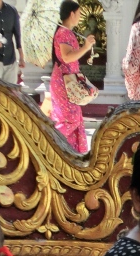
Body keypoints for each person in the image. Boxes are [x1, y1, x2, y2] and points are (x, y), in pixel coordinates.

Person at [50, 1, 95, 153]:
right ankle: (57, 149)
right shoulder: (63, 33)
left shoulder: (67, 32)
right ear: (72, 14)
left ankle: (70, 153)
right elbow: (67, 57)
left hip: (68, 81)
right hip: (64, 82)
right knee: (69, 118)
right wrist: (85, 48)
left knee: (73, 117)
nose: (80, 16)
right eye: (79, 13)